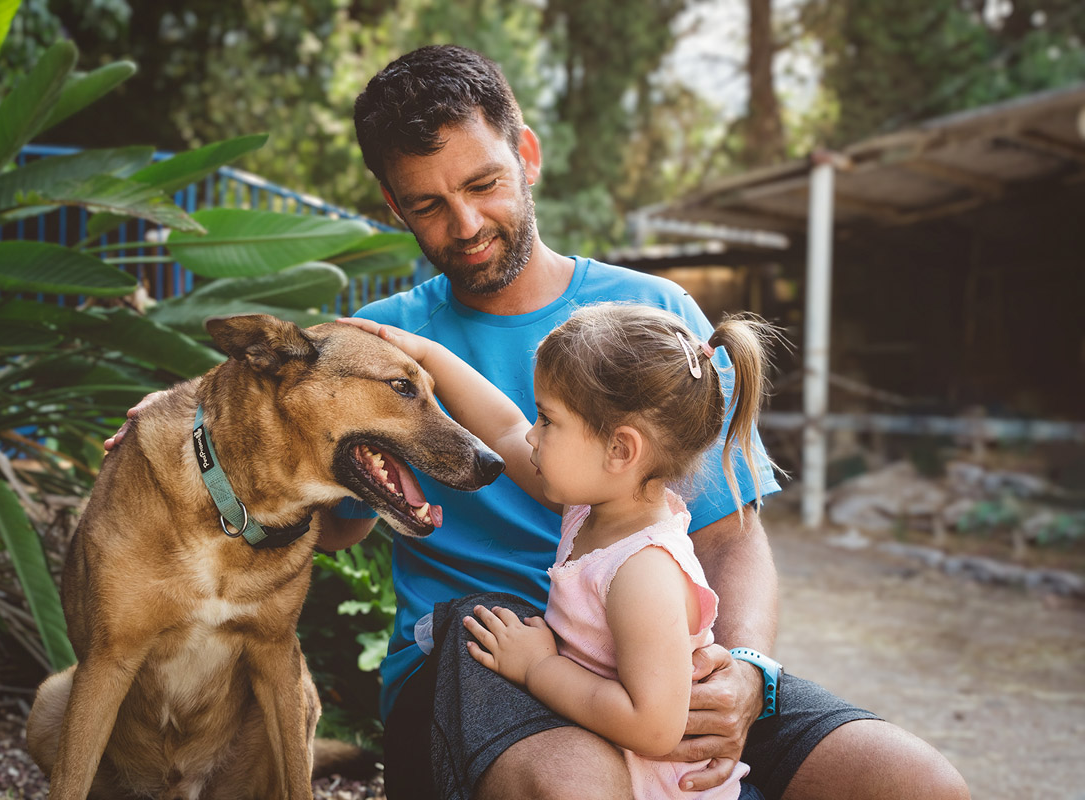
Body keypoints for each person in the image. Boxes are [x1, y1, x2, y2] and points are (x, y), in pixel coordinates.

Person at [108, 44, 969, 800]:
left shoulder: (655, 315)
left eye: (482, 184)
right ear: (391, 205)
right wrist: (176, 418)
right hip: (481, 649)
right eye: (427, 204)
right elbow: (298, 465)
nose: (466, 224)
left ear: (527, 154)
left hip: (655, 657)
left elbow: (732, 539)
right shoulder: (381, 345)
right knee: (579, 787)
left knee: (914, 782)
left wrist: (740, 673)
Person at [341, 302, 778, 800]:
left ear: (620, 450)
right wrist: (425, 355)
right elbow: (503, 426)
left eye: (548, 420)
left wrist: (539, 669)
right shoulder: (594, 508)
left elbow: (654, 727)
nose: (531, 432)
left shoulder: (643, 571)